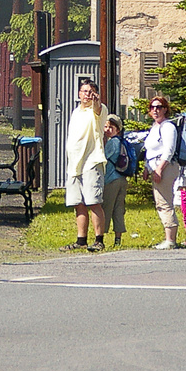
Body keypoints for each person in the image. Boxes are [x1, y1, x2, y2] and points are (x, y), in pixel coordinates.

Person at [62, 79, 108, 251]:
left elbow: (97, 108)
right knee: (78, 203)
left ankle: (99, 240)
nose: (86, 95)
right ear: (79, 94)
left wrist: (96, 101)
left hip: (91, 162)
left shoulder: (99, 110)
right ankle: (81, 240)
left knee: (93, 202)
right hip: (74, 165)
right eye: (84, 91)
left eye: (90, 91)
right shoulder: (76, 112)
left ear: (95, 94)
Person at [143, 96, 179, 250]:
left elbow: (169, 150)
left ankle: (170, 239)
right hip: (155, 167)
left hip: (165, 168)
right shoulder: (155, 127)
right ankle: (169, 237)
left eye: (159, 107)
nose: (155, 110)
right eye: (152, 107)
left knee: (164, 202)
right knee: (160, 202)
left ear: (165, 109)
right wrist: (146, 167)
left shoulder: (168, 127)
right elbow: (150, 149)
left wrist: (159, 169)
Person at [103, 115, 129, 247]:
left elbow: (105, 158)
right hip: (122, 178)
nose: (107, 130)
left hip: (111, 179)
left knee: (106, 208)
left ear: (117, 129)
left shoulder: (113, 142)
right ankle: (118, 239)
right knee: (119, 209)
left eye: (110, 127)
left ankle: (100, 237)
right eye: (105, 127)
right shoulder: (122, 141)